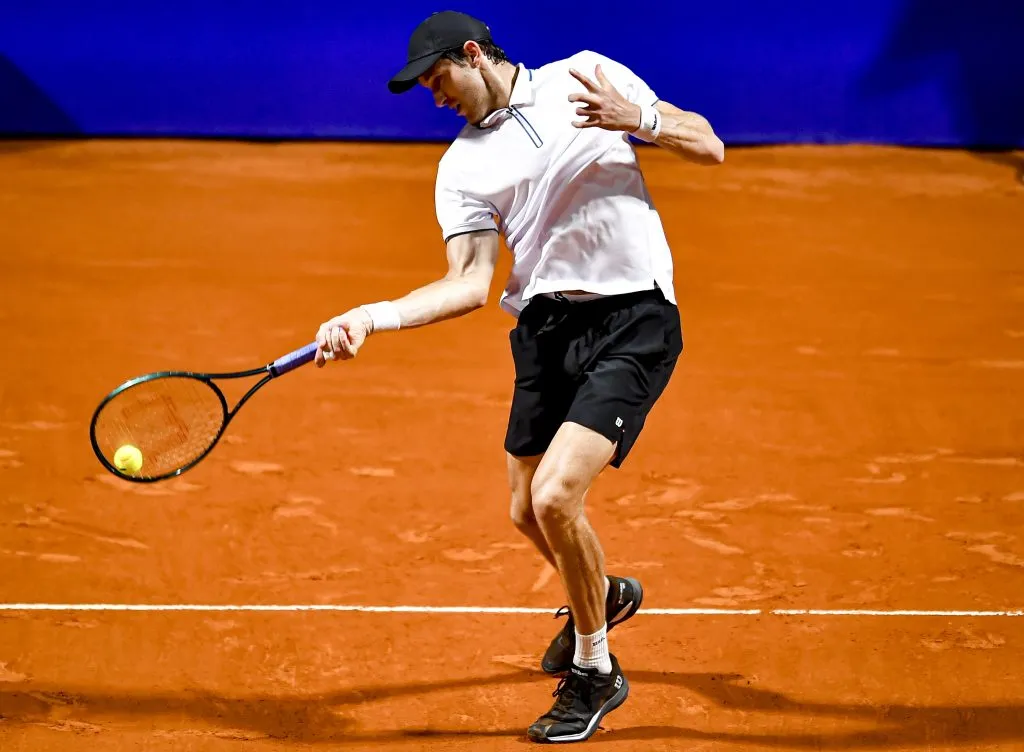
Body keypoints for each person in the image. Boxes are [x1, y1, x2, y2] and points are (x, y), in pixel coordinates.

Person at [314, 10, 724, 744]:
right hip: (545, 330)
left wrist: (640, 118)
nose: (435, 97)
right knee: (524, 512)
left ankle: (596, 669)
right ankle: (601, 592)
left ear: (473, 55)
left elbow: (710, 144)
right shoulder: (460, 167)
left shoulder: (583, 75)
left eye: (438, 80)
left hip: (634, 319)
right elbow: (468, 283)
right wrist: (369, 317)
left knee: (557, 494)